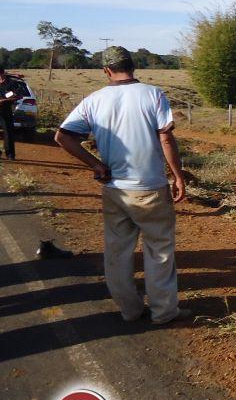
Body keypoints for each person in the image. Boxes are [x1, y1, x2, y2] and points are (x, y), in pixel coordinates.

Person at [54, 47, 190, 324]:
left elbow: (63, 137)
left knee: (117, 252)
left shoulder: (94, 100)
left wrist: (95, 165)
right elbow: (165, 139)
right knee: (159, 251)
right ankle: (164, 312)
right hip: (150, 187)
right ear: (133, 66)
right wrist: (178, 175)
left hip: (115, 189)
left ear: (106, 70)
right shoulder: (153, 95)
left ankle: (129, 310)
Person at [0, 67, 22, 160]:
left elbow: (18, 96)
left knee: (8, 133)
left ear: (3, 73)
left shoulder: (11, 83)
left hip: (5, 110)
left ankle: (10, 155)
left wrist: (3, 100)